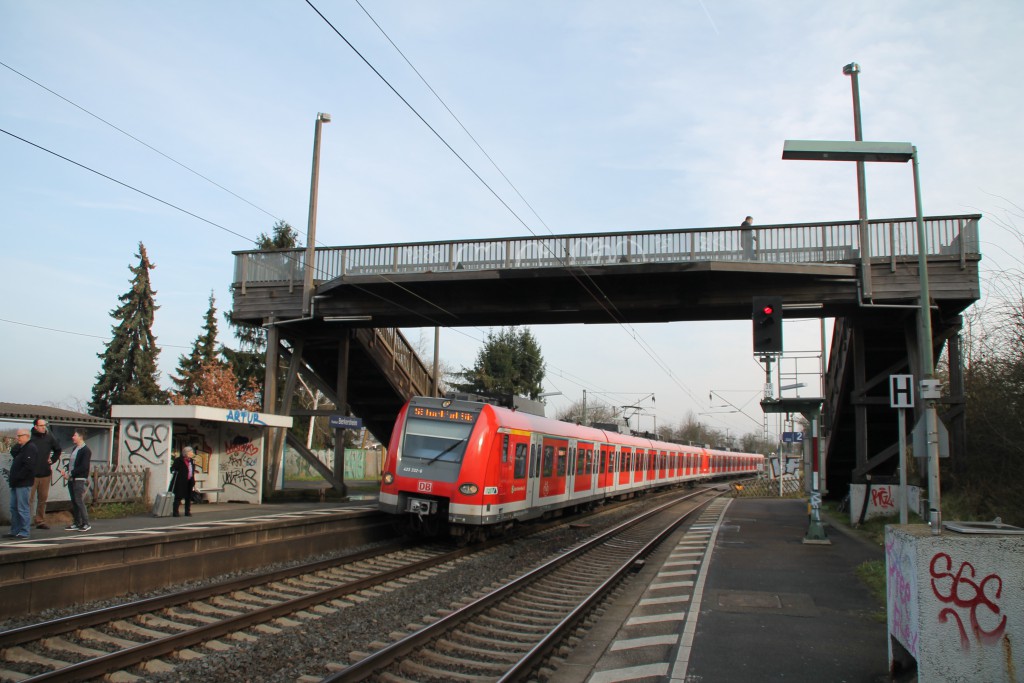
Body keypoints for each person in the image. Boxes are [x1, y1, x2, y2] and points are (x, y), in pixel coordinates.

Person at [29, 417, 62, 530]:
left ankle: (40, 520)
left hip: (45, 473)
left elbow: (58, 449)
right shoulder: (30, 438)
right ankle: (26, 520)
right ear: (36, 427)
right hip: (31, 474)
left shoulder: (49, 437)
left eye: (45, 426)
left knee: (42, 499)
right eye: (41, 426)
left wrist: (52, 460)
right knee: (29, 498)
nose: (44, 428)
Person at [58, 429, 92, 532]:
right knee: (74, 501)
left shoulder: (86, 450)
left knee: (78, 500)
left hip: (79, 478)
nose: (73, 437)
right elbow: (72, 463)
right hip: (72, 478)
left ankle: (86, 523)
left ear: (80, 437)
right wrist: (65, 468)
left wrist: (71, 473)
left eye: (75, 435)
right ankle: (77, 522)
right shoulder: (75, 449)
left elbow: (84, 466)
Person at [8, 429, 38, 539]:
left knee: (22, 507)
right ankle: (15, 530)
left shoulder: (30, 448)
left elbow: (28, 466)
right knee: (13, 507)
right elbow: (13, 452)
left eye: (20, 436)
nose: (17, 438)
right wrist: (18, 444)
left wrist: (19, 477)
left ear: (26, 436)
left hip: (23, 483)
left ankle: (24, 531)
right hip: (16, 483)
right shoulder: (22, 448)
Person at [170, 446, 197, 517]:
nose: (192, 453)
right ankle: (175, 512)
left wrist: (193, 481)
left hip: (189, 481)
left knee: (188, 497)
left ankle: (187, 511)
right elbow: (172, 468)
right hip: (180, 481)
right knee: (178, 497)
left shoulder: (191, 461)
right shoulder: (179, 460)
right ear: (186, 453)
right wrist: (175, 470)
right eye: (191, 452)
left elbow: (192, 471)